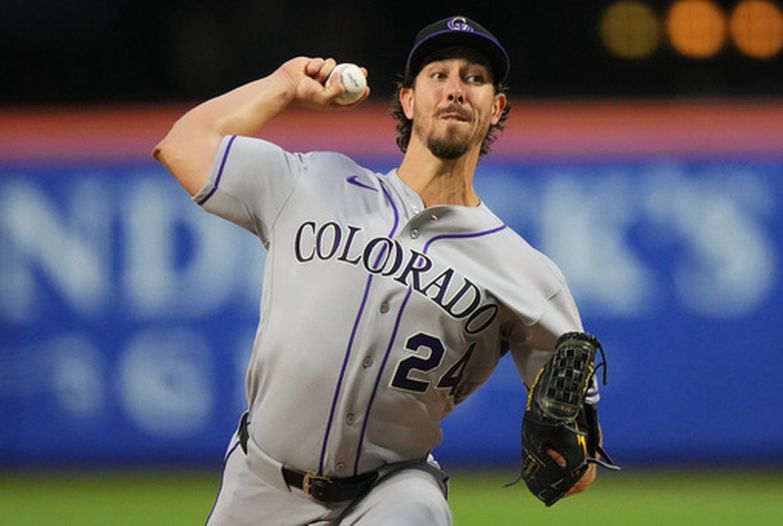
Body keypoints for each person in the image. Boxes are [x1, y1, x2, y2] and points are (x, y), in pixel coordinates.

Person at [154, 14, 601, 526]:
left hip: (395, 491)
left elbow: (577, 465)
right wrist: (281, 87)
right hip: (259, 483)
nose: (456, 88)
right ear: (409, 99)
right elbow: (182, 144)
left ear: (495, 108)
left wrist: (566, 451)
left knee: (418, 511)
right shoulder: (313, 181)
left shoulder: (527, 274)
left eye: (474, 78)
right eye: (438, 75)